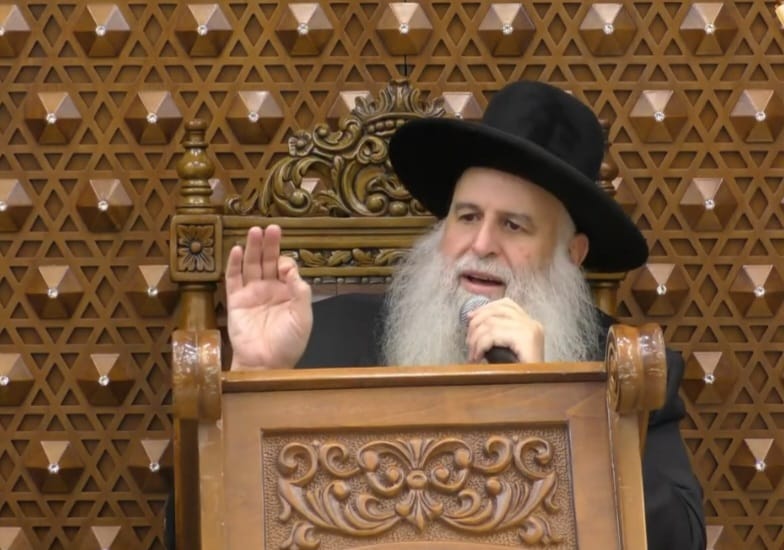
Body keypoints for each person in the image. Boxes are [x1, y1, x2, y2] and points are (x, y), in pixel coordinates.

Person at [223, 80, 706, 550]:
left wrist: (552, 398)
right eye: (468, 217)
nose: (481, 244)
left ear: (571, 254)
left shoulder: (628, 373)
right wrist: (255, 377)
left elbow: (679, 541)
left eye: (513, 225)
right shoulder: (323, 340)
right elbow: (211, 525)